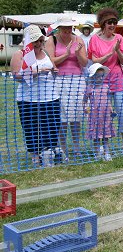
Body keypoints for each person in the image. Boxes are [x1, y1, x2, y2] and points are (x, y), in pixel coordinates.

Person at [11, 25, 61, 166]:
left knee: (51, 125)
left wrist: (54, 72)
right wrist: (37, 72)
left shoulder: (45, 52)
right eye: (35, 41)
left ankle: (49, 152)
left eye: (40, 40)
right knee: (31, 126)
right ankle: (34, 154)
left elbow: (53, 69)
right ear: (28, 42)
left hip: (50, 97)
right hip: (28, 99)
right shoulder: (20, 54)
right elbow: (16, 76)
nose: (39, 44)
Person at [88, 7, 123, 154]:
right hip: (101, 82)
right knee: (101, 114)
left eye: (114, 22)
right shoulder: (94, 39)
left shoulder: (119, 38)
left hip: (119, 80)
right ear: (103, 24)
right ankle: (101, 144)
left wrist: (117, 50)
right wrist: (110, 52)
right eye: (109, 23)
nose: (112, 25)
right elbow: (95, 60)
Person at [45, 16, 88, 160]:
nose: (67, 30)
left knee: (76, 116)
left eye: (70, 28)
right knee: (62, 117)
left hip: (77, 80)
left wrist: (76, 54)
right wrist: (66, 54)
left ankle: (76, 147)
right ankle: (63, 148)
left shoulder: (79, 40)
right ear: (59, 28)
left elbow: (84, 62)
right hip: (59, 81)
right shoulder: (52, 40)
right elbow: (50, 61)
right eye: (64, 28)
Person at [83, 63, 115, 161]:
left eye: (102, 76)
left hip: (105, 116)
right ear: (92, 77)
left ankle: (107, 153)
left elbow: (108, 100)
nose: (100, 79)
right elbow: (84, 100)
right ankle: (97, 153)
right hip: (94, 116)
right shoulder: (89, 88)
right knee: (96, 137)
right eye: (97, 76)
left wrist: (111, 110)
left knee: (106, 136)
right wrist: (85, 107)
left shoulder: (106, 87)